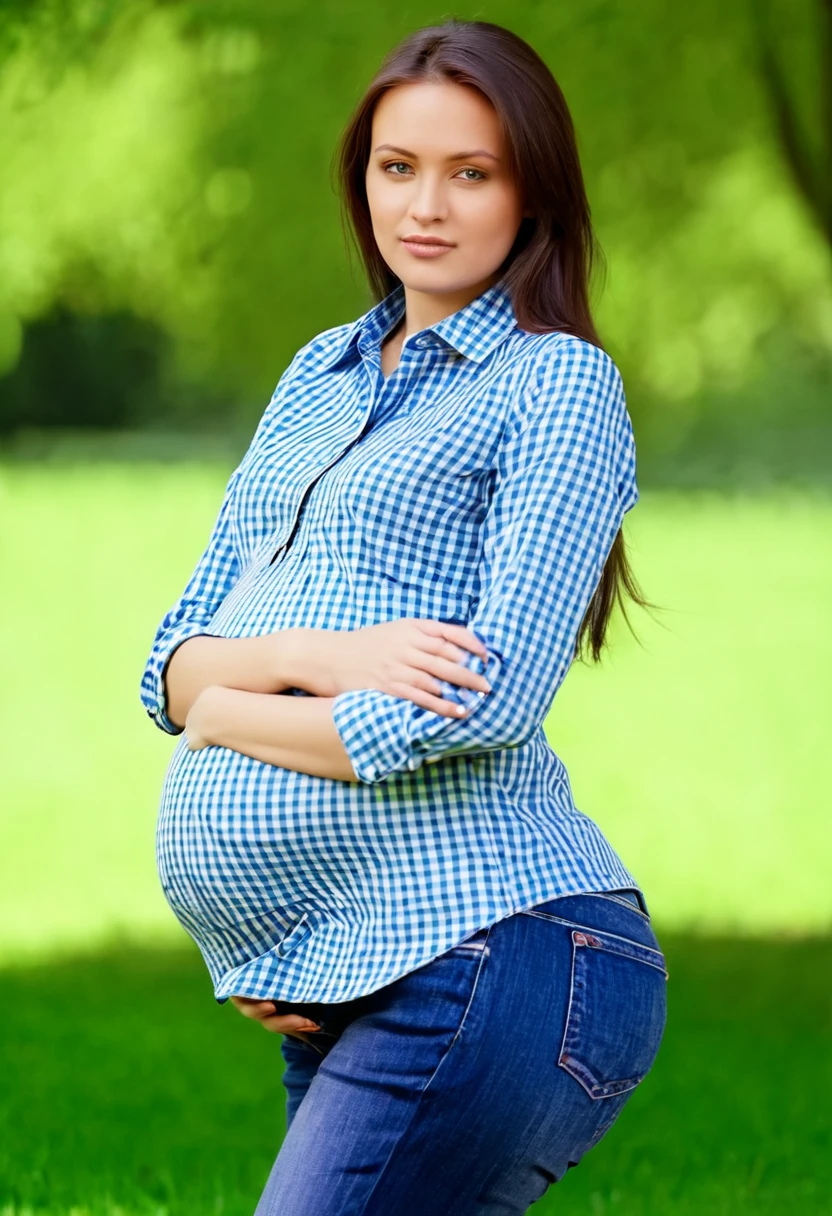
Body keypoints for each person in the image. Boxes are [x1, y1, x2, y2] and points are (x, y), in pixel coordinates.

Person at [140, 18, 667, 1215]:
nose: (424, 204)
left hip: (500, 946)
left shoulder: (555, 382)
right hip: (353, 972)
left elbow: (486, 698)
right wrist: (307, 663)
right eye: (397, 167)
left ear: (531, 190)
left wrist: (232, 713)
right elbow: (170, 661)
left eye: (469, 172)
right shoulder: (321, 372)